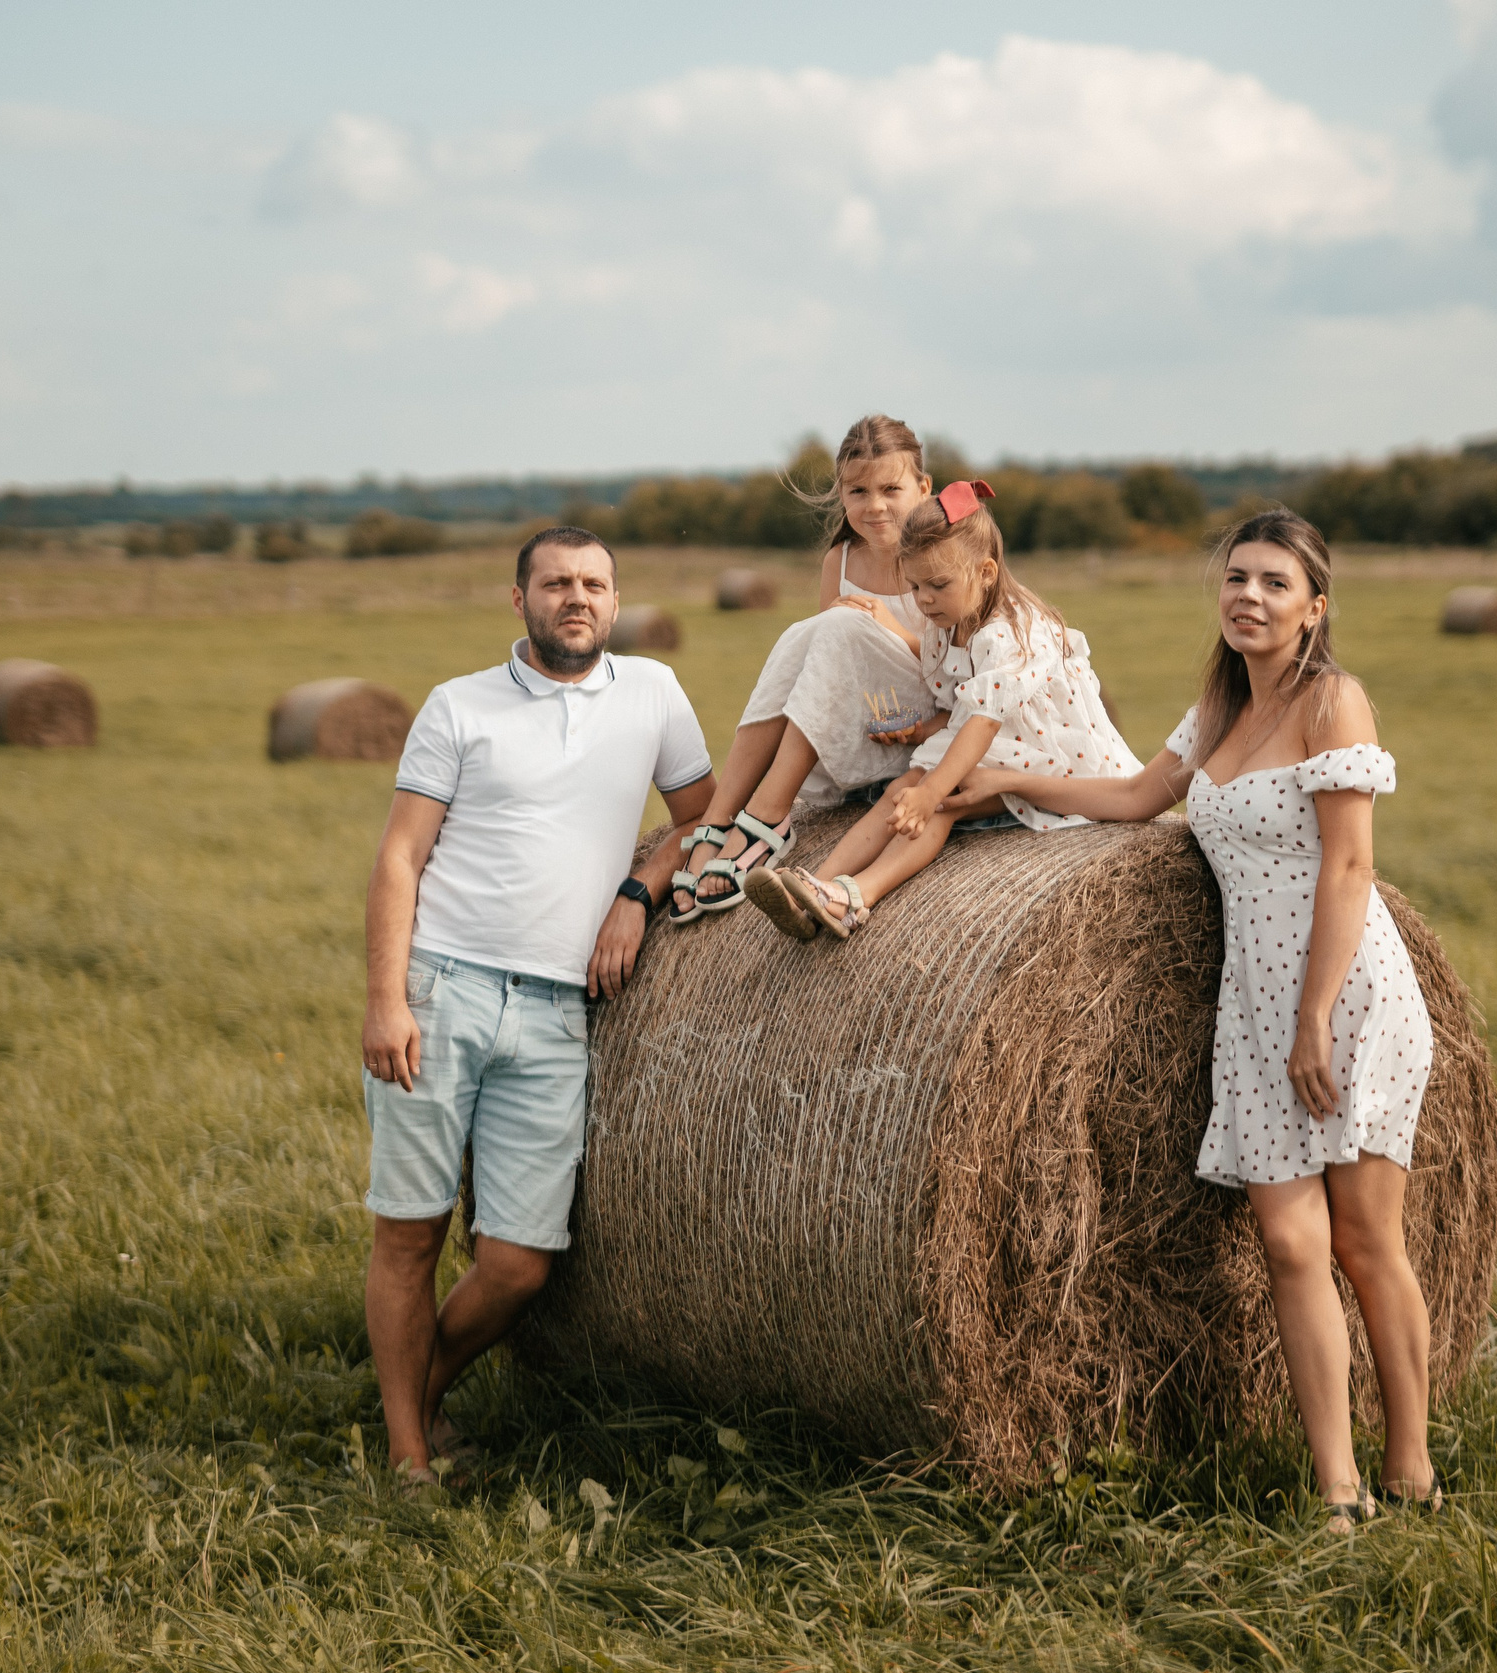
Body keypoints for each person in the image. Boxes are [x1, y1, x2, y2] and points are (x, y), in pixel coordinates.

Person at [947, 507, 1438, 1533]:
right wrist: (1000, 779)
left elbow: (1350, 868)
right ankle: (1336, 1489)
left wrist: (1311, 1017)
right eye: (1237, 580)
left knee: (1363, 1239)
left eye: (1273, 583)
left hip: (1343, 994)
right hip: (1250, 1006)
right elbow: (1133, 799)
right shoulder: (1216, 709)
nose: (1249, 597)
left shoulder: (1331, 703)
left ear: (1314, 607)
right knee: (1289, 1248)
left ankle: (1410, 1466)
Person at [359, 524, 715, 1485]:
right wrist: (387, 1000)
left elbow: (703, 822)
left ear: (614, 597)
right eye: (557, 583)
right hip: (444, 991)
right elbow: (400, 857)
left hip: (558, 1010)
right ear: (518, 599)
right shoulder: (458, 706)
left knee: (519, 1260)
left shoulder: (653, 694)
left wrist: (637, 895)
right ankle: (407, 1459)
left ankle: (415, 1397)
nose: (578, 598)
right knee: (412, 1230)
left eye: (596, 583)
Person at [745, 479, 1138, 940]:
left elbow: (983, 722)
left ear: (986, 572)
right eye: (913, 586)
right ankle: (816, 889)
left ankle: (859, 896)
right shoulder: (947, 623)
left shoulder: (1009, 632)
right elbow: (959, 709)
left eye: (937, 584)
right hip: (992, 744)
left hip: (1051, 766)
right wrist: (920, 731)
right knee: (901, 789)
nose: (924, 598)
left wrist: (931, 790)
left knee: (938, 803)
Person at [665, 414, 940, 921]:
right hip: (866, 731)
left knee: (838, 627)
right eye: (858, 491)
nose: (874, 505)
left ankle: (768, 817)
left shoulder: (944, 555)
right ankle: (722, 818)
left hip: (920, 730)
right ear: (841, 493)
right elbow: (827, 673)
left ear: (924, 488)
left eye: (890, 489)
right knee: (805, 633)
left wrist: (891, 628)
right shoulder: (838, 559)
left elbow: (967, 667)